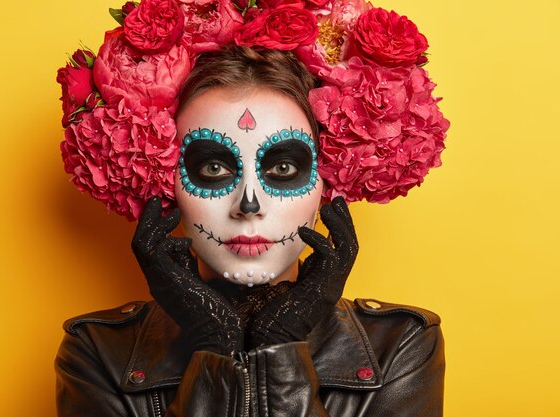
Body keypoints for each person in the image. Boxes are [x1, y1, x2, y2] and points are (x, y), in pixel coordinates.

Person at [55, 2, 448, 416]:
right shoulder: (99, 352)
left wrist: (280, 341)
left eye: (282, 167)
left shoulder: (400, 346)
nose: (248, 204)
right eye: (212, 166)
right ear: (161, 177)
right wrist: (214, 342)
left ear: (329, 181)